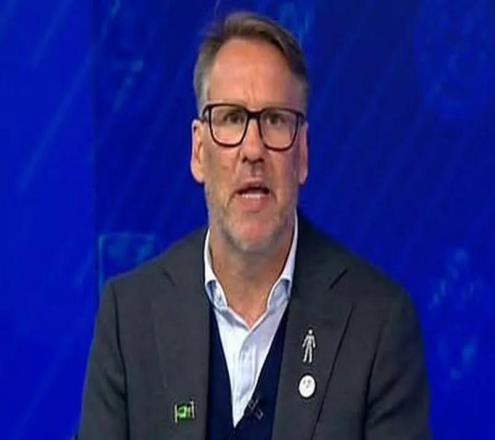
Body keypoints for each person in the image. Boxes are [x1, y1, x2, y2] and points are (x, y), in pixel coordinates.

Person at [78, 11, 430, 439]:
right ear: (198, 151)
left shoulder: (378, 325)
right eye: (231, 118)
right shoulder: (129, 318)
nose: (253, 149)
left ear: (302, 154)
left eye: (275, 120)